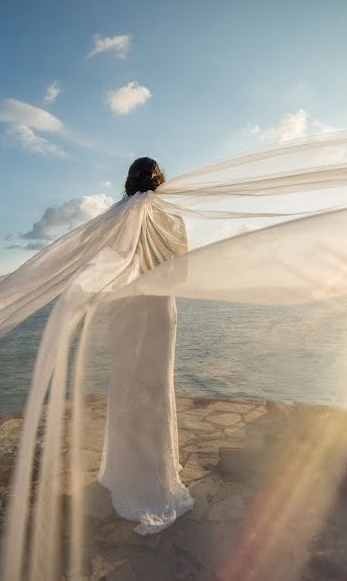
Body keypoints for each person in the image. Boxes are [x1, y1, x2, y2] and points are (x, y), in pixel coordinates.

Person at [97, 157, 194, 534]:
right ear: (162, 182)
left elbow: (105, 271)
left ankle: (126, 474)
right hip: (160, 309)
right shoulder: (173, 222)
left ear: (127, 182)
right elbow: (181, 275)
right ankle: (157, 476)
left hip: (126, 311)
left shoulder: (115, 219)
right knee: (155, 390)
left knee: (126, 388)